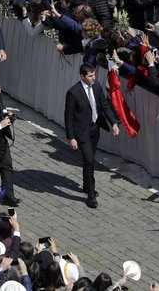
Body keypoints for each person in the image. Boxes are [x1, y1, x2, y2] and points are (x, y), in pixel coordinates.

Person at [64, 63, 120, 209]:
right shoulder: (73, 93)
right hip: (81, 131)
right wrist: (71, 137)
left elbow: (105, 105)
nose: (93, 78)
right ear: (82, 76)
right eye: (90, 76)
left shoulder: (96, 86)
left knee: (90, 159)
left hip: (95, 129)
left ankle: (85, 184)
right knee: (89, 160)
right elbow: (68, 117)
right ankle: (91, 194)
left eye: (94, 75)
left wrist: (113, 122)